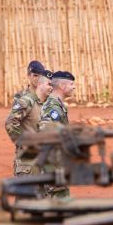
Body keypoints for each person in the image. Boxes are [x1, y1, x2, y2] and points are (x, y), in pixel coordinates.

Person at [5, 71, 52, 176]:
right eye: (49, 84)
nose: (52, 88)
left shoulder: (46, 105)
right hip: (27, 165)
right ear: (40, 84)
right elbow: (10, 121)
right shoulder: (26, 101)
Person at [38, 70, 76, 198]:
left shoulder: (57, 105)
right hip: (53, 165)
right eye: (71, 84)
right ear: (62, 86)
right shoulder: (52, 107)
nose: (74, 87)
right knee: (58, 202)